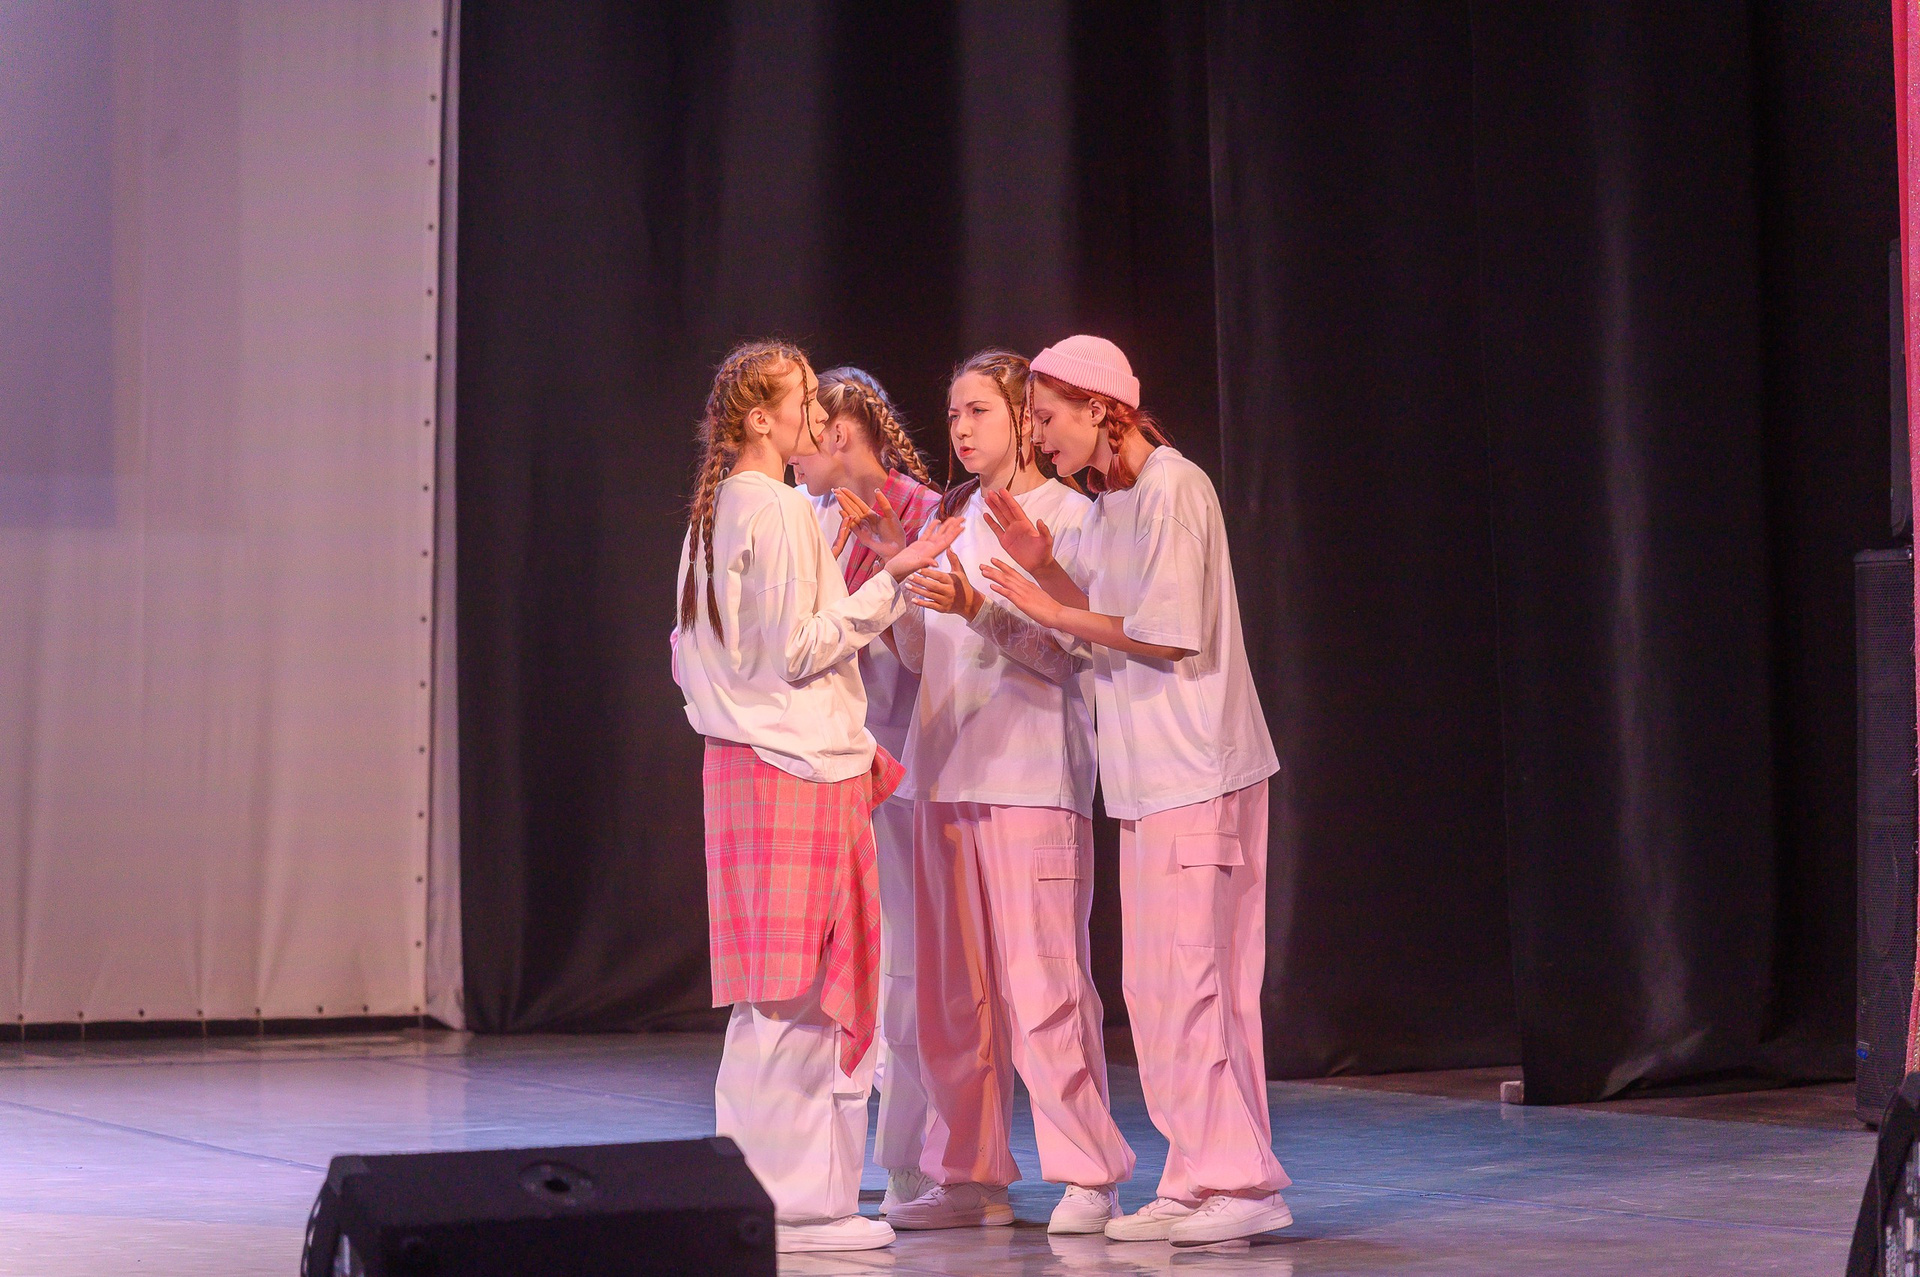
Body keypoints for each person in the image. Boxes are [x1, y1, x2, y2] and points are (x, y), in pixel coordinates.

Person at [976, 335, 1292, 1247]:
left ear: (1101, 409)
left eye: (1046, 417)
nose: (1038, 437)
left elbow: (1167, 631)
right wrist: (1045, 568)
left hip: (1199, 770)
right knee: (1155, 992)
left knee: (1194, 983)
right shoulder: (1113, 505)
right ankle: (1197, 1176)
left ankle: (1240, 1180)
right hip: (1148, 782)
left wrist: (1051, 603)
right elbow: (1096, 624)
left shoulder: (1175, 489)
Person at [671, 340, 960, 1254]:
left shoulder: (716, 512)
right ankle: (799, 1208)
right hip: (799, 767)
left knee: (772, 996)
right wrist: (896, 578)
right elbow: (801, 647)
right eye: (802, 402)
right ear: (761, 418)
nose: (815, 417)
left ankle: (761, 1200)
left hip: (748, 766)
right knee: (806, 998)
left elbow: (688, 654)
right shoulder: (781, 510)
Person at [874, 350, 1135, 1235]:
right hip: (944, 773)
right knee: (955, 995)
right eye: (953, 413)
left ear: (1025, 416)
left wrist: (973, 608)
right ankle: (968, 1173)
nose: (960, 428)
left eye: (978, 410)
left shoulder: (1070, 518)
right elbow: (921, 656)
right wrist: (904, 578)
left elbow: (1071, 652)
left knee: (1045, 987)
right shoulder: (952, 519)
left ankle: (1089, 1171)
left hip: (1031, 778)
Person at [788, 366, 942, 1214]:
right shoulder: (805, 515)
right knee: (832, 967)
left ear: (841, 433)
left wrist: (892, 570)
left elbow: (926, 650)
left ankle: (909, 1156)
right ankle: (821, 1153)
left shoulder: (920, 512)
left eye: (809, 432)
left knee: (909, 966)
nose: (795, 451)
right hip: (829, 763)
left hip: (905, 765)